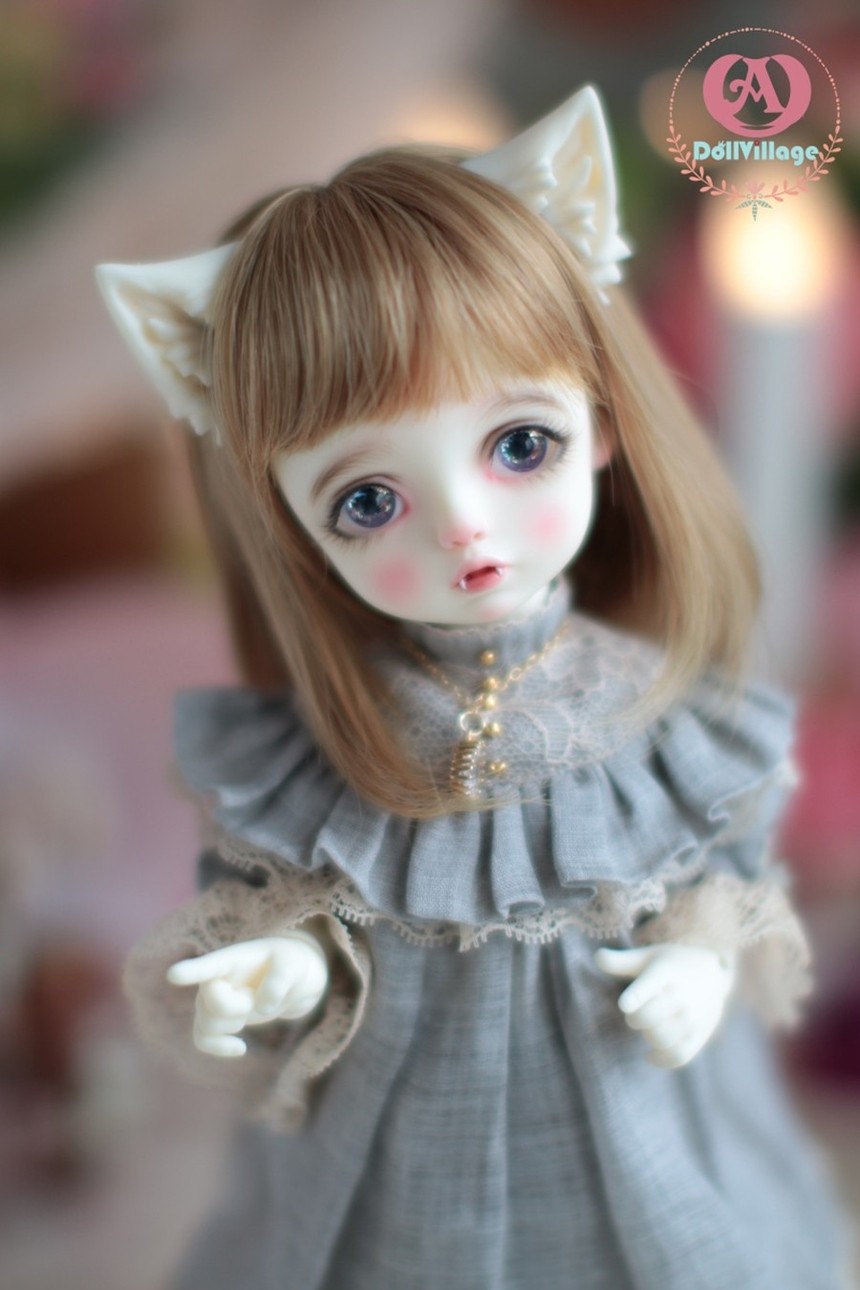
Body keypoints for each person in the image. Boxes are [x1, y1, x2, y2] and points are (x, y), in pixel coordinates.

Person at [98, 86, 844, 1289]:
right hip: (407, 1174)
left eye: (519, 445)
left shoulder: (654, 711)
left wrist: (696, 964)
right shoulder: (322, 748)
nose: (462, 525)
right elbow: (303, 903)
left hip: (635, 1130)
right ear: (292, 531)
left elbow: (724, 879)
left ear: (600, 422)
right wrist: (291, 968)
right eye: (367, 500)